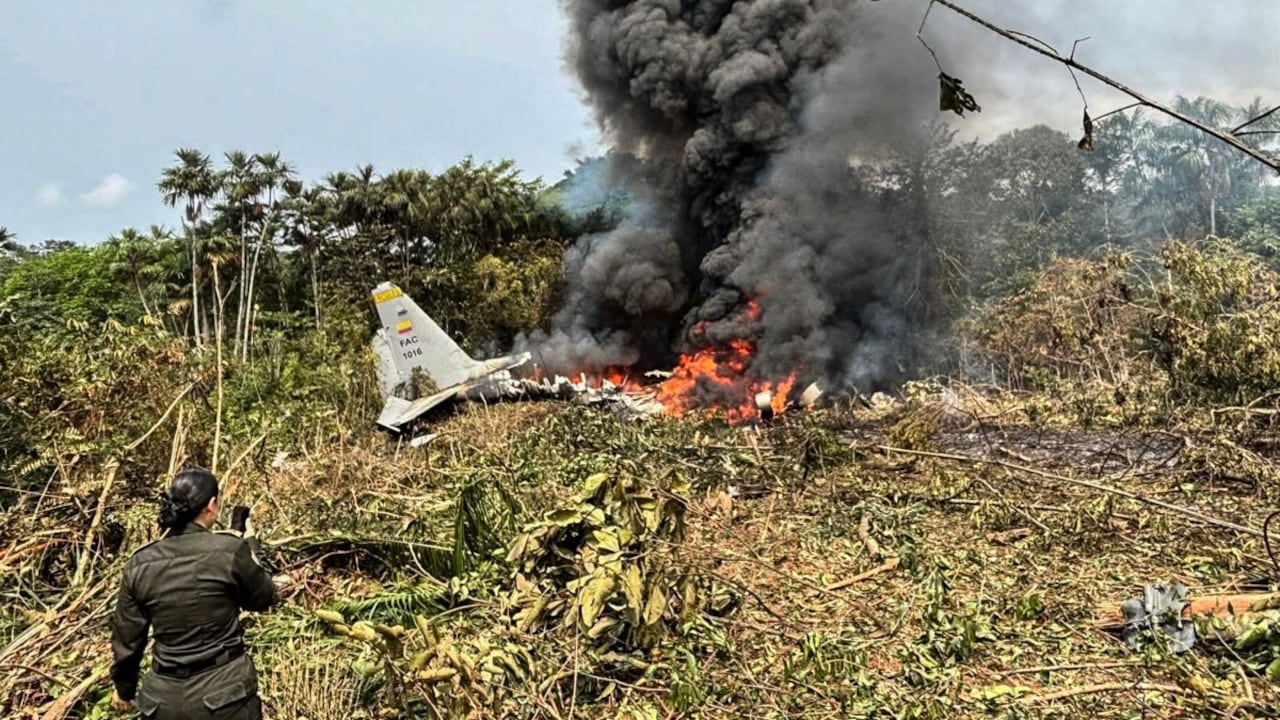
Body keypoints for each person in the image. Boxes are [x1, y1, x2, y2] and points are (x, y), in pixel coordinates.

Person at [109, 468, 281, 719]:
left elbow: (127, 640)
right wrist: (252, 546)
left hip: (162, 703)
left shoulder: (139, 563)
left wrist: (124, 689)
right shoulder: (229, 551)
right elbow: (265, 598)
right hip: (226, 696)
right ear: (211, 506)